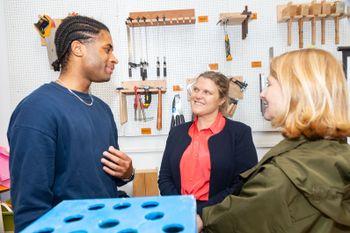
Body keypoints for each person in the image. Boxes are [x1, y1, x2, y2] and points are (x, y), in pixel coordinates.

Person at [199, 48, 350, 232]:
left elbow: (232, 221)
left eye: (270, 84)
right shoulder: (334, 151)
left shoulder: (283, 175)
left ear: (295, 91)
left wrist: (201, 220)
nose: (263, 94)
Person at [8, 15, 134, 232]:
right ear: (78, 48)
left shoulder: (102, 109)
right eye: (107, 49)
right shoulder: (36, 110)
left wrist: (127, 173)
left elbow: (102, 177)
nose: (114, 58)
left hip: (105, 224)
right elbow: (30, 207)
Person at [158, 71, 258, 215]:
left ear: (222, 99)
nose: (198, 96)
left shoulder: (239, 133)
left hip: (220, 217)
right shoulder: (177, 132)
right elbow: (165, 177)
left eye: (207, 92)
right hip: (179, 212)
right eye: (196, 89)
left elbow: (242, 185)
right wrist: (181, 206)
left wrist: (200, 212)